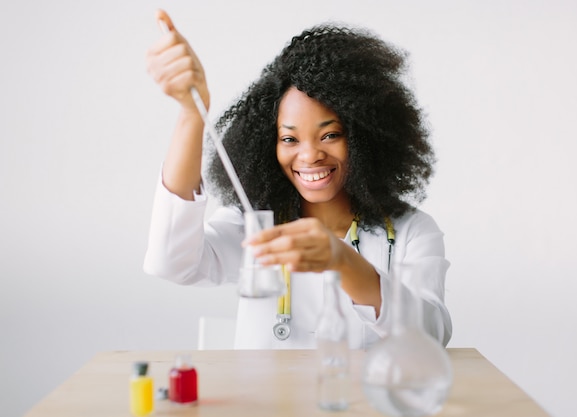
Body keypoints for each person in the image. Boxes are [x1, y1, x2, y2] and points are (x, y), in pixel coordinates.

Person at [144, 9, 452, 349]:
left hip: (363, 402)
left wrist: (342, 259)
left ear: (365, 137)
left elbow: (432, 335)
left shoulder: (413, 231)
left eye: (330, 135)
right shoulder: (254, 226)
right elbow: (171, 263)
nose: (309, 156)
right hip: (267, 402)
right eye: (290, 139)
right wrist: (192, 112)